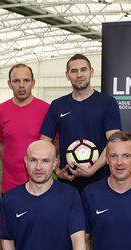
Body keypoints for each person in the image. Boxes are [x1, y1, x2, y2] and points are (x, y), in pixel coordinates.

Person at [40, 54, 121, 192]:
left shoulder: (108, 103)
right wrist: (56, 169)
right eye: (74, 71)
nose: (79, 75)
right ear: (67, 75)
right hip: (68, 181)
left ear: (91, 72)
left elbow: (114, 142)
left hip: (100, 180)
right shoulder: (57, 105)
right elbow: (44, 143)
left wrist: (93, 170)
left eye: (83, 69)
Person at [0, 64, 50, 194]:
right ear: (9, 84)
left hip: (39, 185)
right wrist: (11, 166)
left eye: (26, 80)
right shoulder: (1, 110)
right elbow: (0, 143)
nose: (22, 85)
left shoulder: (46, 109)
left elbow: (55, 142)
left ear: (33, 83)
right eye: (16, 81)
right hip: (10, 186)